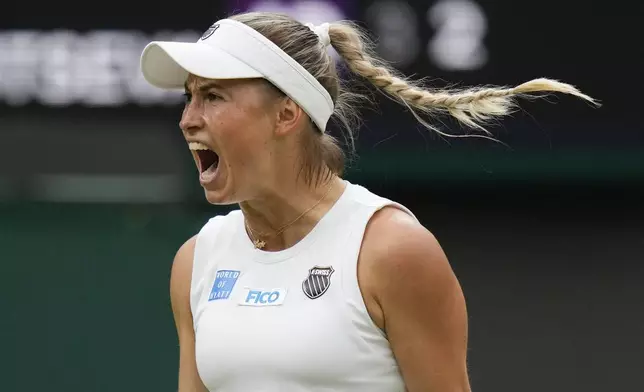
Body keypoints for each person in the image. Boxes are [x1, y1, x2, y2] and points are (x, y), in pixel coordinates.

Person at [139, 11, 596, 392]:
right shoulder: (197, 261)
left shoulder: (392, 250)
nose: (188, 120)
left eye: (213, 96)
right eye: (189, 97)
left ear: (286, 114)